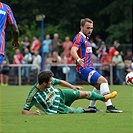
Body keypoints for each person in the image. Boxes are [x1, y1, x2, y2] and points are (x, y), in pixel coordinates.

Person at [71, 18, 123, 113]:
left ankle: (92, 107)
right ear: (81, 27)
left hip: (89, 68)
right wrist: (78, 59)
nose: (90, 30)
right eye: (87, 28)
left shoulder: (86, 39)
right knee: (103, 81)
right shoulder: (79, 37)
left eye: (91, 28)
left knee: (99, 86)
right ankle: (109, 107)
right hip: (83, 69)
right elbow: (73, 50)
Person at [21, 70, 117, 115]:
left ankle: (104, 98)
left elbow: (60, 82)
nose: (52, 82)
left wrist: (73, 87)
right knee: (78, 111)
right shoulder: (33, 95)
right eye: (50, 81)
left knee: (85, 94)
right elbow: (24, 110)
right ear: (44, 83)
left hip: (62, 94)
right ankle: (84, 109)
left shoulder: (47, 80)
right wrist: (33, 113)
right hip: (56, 108)